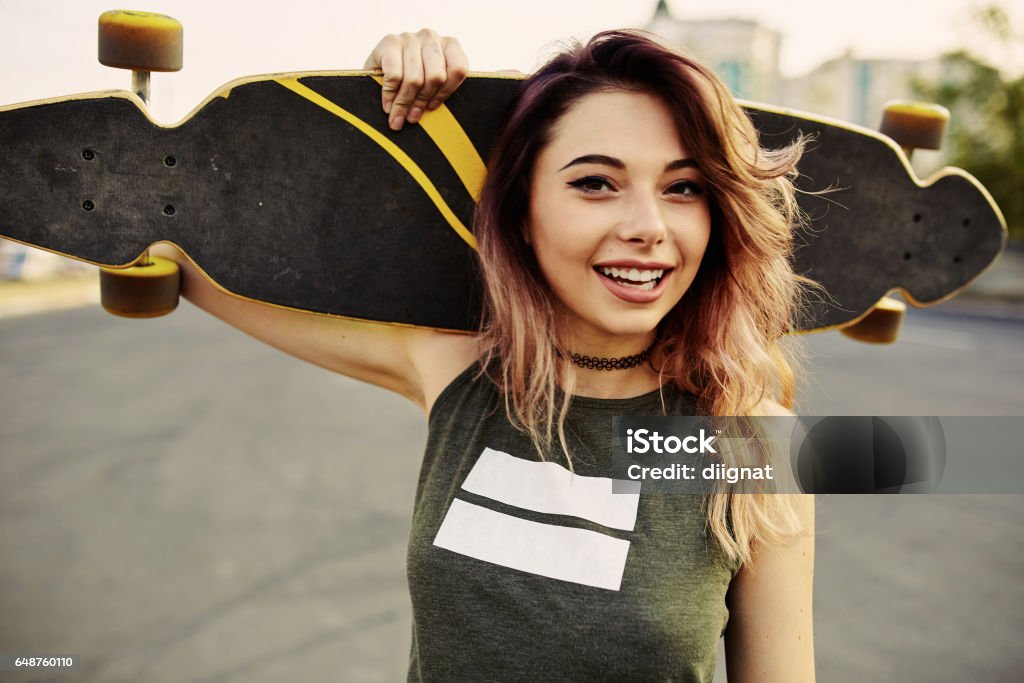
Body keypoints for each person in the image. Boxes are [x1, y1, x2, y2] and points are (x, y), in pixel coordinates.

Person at [155, 27, 814, 682]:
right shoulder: (463, 374)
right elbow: (184, 264)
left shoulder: (756, 442)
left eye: (684, 188)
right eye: (595, 183)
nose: (647, 226)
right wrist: (379, 100)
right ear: (523, 212)